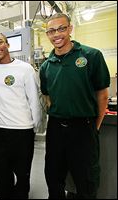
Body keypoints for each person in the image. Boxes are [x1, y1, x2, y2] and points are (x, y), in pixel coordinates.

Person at [39, 13, 110, 199]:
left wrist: (94, 127)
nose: (57, 34)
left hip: (83, 127)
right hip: (55, 128)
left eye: (61, 28)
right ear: (47, 34)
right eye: (51, 31)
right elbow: (47, 96)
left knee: (85, 180)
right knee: (53, 176)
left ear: (70, 29)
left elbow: (102, 95)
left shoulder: (91, 56)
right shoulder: (46, 66)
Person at [0, 32, 42, 199]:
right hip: (1, 130)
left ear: (8, 45)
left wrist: (35, 127)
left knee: (22, 174)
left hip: (22, 130)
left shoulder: (25, 69)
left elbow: (34, 99)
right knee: (1, 174)